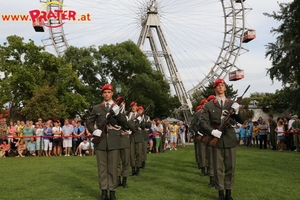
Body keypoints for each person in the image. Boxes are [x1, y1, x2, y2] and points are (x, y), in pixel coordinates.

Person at [199, 78, 243, 200]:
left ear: (225, 88)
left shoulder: (231, 103)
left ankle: (229, 192)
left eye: (222, 85)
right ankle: (220, 193)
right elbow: (202, 122)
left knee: (230, 167)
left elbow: (241, 120)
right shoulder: (209, 105)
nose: (220, 87)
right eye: (218, 85)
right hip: (216, 140)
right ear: (215, 88)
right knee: (218, 168)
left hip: (229, 138)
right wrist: (212, 131)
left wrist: (237, 110)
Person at [87, 84, 127, 200]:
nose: (107, 94)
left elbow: (124, 123)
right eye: (105, 92)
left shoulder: (117, 107)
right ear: (102, 94)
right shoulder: (97, 108)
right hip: (101, 142)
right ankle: (104, 192)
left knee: (113, 168)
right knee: (102, 168)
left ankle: (112, 192)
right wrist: (94, 131)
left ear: (112, 93)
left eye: (109, 92)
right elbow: (89, 122)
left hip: (114, 142)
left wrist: (118, 113)